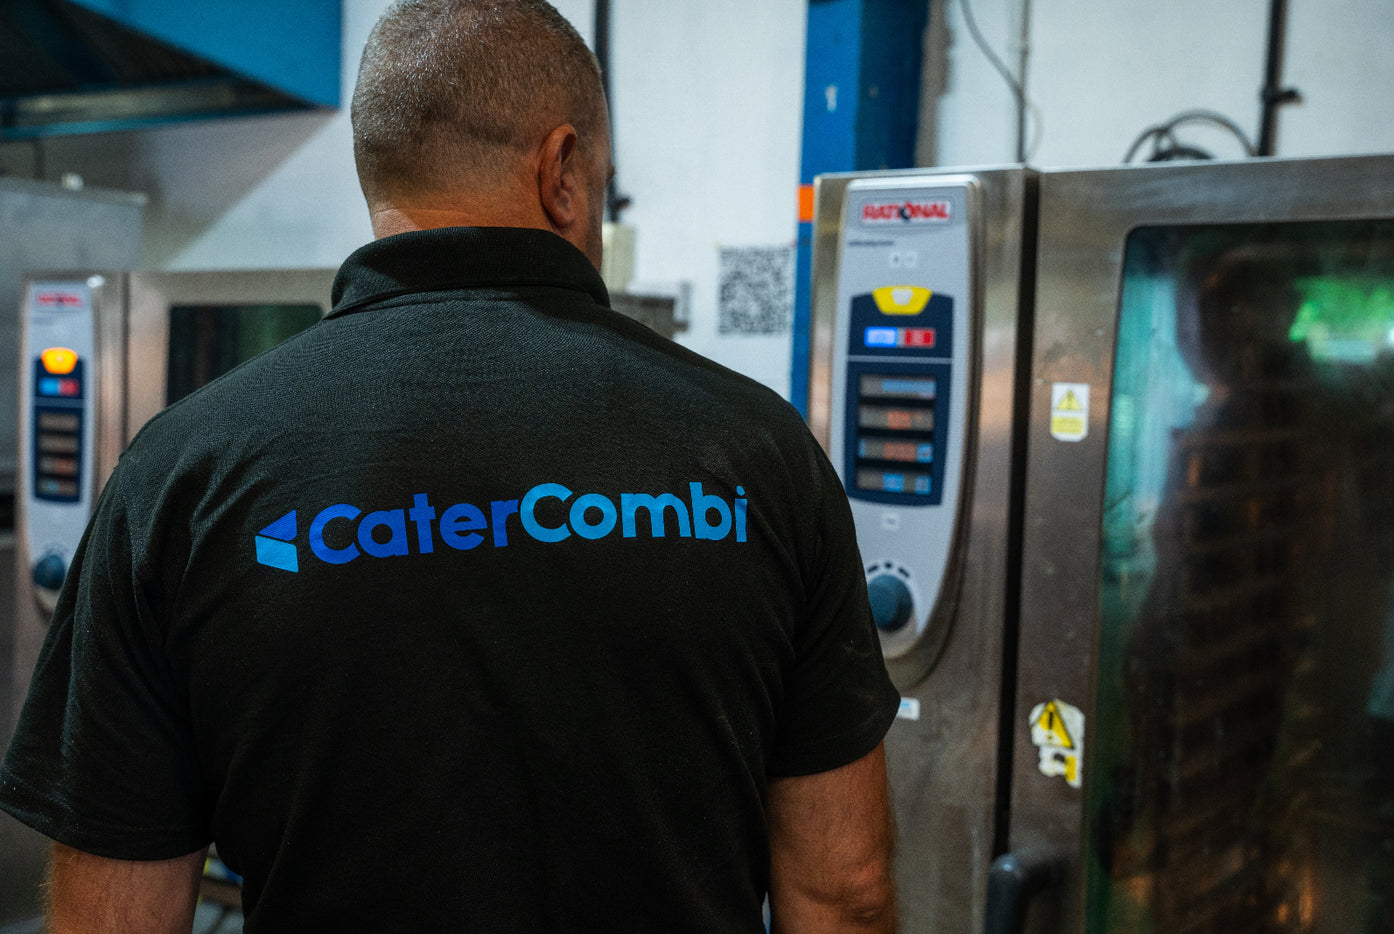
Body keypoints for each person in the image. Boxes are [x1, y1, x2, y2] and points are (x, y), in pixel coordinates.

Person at [0, 1, 900, 931]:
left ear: (376, 174)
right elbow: (844, 890)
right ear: (561, 172)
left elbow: (114, 920)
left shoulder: (182, 475)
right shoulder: (760, 452)